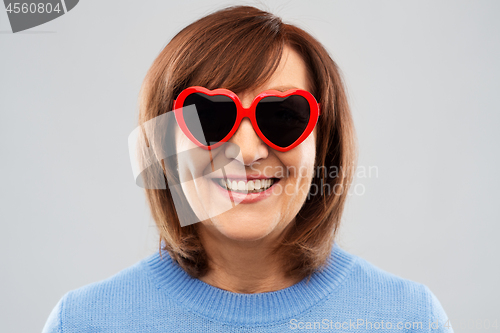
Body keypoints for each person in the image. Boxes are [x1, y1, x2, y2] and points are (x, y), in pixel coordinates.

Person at [42, 5, 453, 332]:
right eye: (208, 117)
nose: (246, 151)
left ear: (322, 146)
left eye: (282, 117)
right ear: (163, 144)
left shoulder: (410, 320)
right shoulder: (82, 323)